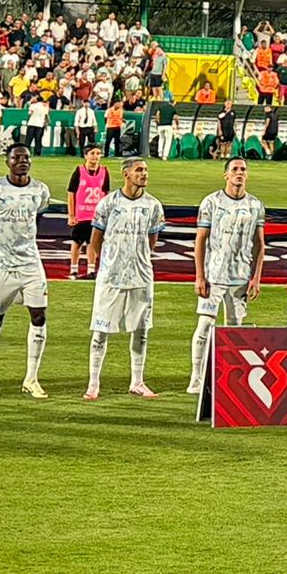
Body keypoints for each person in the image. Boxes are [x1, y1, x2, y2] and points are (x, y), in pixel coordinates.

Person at [0, 144, 53, 400]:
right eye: (17, 157)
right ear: (7, 161)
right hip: (0, 265)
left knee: (39, 317)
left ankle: (31, 379)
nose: (23, 161)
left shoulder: (40, 190)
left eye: (27, 157)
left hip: (30, 264)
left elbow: (37, 219)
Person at [85, 156, 165, 399]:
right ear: (126, 174)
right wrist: (110, 262)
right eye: (139, 170)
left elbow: (152, 240)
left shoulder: (153, 206)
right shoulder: (108, 204)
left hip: (141, 276)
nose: (144, 174)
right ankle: (93, 382)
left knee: (141, 329)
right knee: (100, 331)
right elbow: (95, 239)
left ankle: (137, 381)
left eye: (146, 170)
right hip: (111, 277)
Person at [187, 158, 267, 394]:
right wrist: (199, 275)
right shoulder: (211, 202)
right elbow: (200, 239)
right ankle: (197, 379)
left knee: (234, 328)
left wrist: (256, 277)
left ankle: (231, 377)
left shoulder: (256, 205)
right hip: (214, 274)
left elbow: (260, 245)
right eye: (235, 169)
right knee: (205, 324)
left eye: (243, 170)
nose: (239, 173)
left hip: (241, 276)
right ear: (226, 175)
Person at [66, 146, 109, 281]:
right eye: (92, 153)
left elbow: (106, 193)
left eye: (98, 153)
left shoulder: (104, 172)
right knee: (77, 241)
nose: (95, 156)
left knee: (92, 242)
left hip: (96, 215)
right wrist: (71, 215)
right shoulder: (79, 171)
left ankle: (91, 269)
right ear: (86, 155)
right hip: (81, 214)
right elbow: (71, 193)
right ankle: (74, 269)